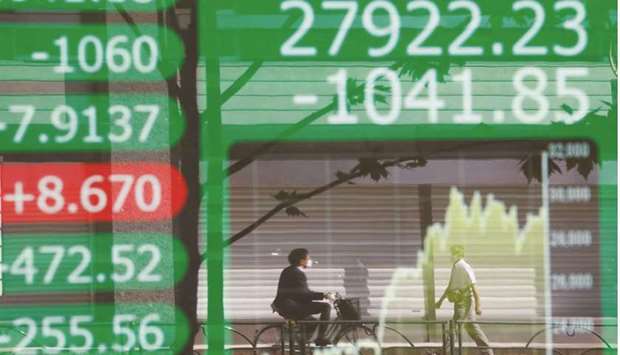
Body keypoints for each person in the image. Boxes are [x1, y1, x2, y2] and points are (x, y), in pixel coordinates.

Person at [435, 245, 494, 355]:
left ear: (458, 254)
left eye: (452, 253)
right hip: (460, 303)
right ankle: (488, 352)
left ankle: (445, 352)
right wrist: (440, 301)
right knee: (472, 329)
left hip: (464, 303)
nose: (450, 256)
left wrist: (478, 306)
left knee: (454, 329)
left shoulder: (463, 266)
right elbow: (450, 287)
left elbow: (475, 288)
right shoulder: (456, 266)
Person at [272, 248, 335, 346]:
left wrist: (322, 295)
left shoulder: (288, 270)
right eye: (308, 258)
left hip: (285, 304)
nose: (310, 261)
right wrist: (324, 295)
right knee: (326, 307)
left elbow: (301, 293)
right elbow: (304, 295)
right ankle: (320, 338)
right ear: (301, 260)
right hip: (291, 306)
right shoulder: (297, 273)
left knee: (312, 322)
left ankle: (302, 343)